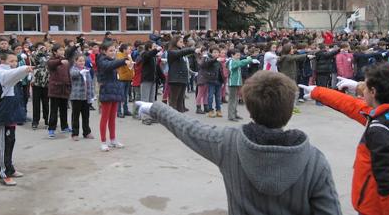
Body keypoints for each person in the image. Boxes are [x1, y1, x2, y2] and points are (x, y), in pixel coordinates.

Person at [136, 71, 342, 215]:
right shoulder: (315, 161)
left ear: (250, 109)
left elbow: (189, 129)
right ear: (289, 111)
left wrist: (156, 108)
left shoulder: (228, 143)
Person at [301, 63, 389, 215]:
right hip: (373, 203)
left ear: (373, 92)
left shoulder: (381, 130)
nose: (361, 90)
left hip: (374, 208)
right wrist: (319, 92)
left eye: (364, 87)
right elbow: (352, 106)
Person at [0, 51, 33, 186]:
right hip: (2, 115)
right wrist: (25, 68)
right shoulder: (1, 73)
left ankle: (9, 168)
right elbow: (10, 75)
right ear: (3, 61)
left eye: (15, 61)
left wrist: (24, 70)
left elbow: (16, 75)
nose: (14, 63)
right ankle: (3, 173)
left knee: (10, 141)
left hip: (11, 113)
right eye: (10, 61)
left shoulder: (12, 74)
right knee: (2, 144)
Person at [96, 42, 130, 151]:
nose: (113, 52)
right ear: (104, 51)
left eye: (114, 50)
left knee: (112, 118)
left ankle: (113, 139)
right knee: (104, 118)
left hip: (115, 91)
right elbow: (109, 66)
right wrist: (124, 61)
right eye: (110, 50)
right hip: (106, 92)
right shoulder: (102, 61)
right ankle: (103, 142)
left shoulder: (113, 61)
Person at [46, 44, 72, 138]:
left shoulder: (66, 61)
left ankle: (64, 126)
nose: (62, 51)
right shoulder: (52, 61)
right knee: (54, 110)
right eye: (60, 50)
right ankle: (51, 129)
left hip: (64, 89)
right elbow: (52, 64)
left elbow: (68, 74)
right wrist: (61, 60)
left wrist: (70, 85)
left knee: (64, 109)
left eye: (63, 50)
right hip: (55, 90)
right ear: (55, 52)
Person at [167, 36, 197, 113]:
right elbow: (181, 52)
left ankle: (180, 118)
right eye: (180, 42)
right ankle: (171, 117)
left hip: (182, 78)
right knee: (174, 100)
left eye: (182, 42)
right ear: (175, 42)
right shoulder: (171, 51)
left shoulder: (180, 52)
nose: (182, 43)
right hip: (175, 79)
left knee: (180, 100)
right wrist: (193, 49)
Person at [69, 53, 94, 140]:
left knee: (86, 116)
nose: (82, 62)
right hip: (76, 97)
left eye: (83, 61)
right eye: (80, 61)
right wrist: (80, 72)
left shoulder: (86, 70)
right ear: (75, 61)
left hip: (86, 97)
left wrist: (91, 96)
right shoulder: (73, 69)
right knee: (75, 116)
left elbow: (90, 83)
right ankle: (75, 133)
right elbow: (73, 74)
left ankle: (86, 132)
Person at [226, 49, 253, 121]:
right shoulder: (231, 61)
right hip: (233, 82)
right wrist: (248, 59)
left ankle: (234, 113)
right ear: (232, 55)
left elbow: (240, 63)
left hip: (237, 82)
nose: (238, 57)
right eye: (237, 55)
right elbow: (240, 63)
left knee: (236, 99)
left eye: (239, 55)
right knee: (232, 99)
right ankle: (231, 116)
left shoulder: (236, 60)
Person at [31, 42, 50, 130]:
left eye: (43, 47)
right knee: (36, 103)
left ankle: (47, 120)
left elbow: (49, 64)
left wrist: (45, 52)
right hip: (36, 82)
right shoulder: (34, 55)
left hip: (46, 82)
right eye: (40, 47)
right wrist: (39, 51)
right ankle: (35, 121)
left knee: (46, 103)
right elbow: (34, 60)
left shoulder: (48, 55)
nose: (42, 48)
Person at [116, 44, 134, 118]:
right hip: (121, 78)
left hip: (128, 78)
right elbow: (122, 64)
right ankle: (119, 111)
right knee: (120, 95)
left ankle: (125, 110)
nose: (130, 50)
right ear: (124, 50)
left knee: (125, 95)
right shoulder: (120, 56)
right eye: (129, 49)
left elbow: (131, 66)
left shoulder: (129, 56)